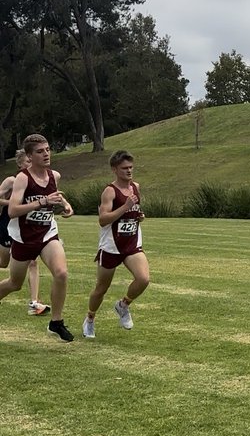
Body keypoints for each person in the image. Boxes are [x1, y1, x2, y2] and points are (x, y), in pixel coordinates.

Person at [0, 133, 74, 341]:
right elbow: (13, 210)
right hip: (24, 238)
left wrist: (66, 205)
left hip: (47, 233)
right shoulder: (23, 178)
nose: (46, 154)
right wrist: (42, 202)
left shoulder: (54, 176)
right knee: (15, 283)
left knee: (61, 273)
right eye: (40, 151)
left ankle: (56, 322)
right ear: (30, 156)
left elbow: (56, 195)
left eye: (48, 149)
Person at [82, 150, 149, 339]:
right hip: (111, 246)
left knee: (143, 279)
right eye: (124, 168)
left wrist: (138, 216)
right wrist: (125, 207)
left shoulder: (136, 187)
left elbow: (133, 212)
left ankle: (123, 305)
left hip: (131, 244)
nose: (129, 171)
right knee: (101, 289)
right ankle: (90, 319)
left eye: (131, 167)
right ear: (114, 169)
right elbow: (103, 219)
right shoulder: (110, 191)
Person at [0, 149, 50, 316]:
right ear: (20, 164)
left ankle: (34, 303)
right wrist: (13, 202)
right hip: (9, 224)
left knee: (33, 262)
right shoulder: (12, 180)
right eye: (28, 162)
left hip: (28, 227)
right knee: (3, 262)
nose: (31, 165)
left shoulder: (35, 180)